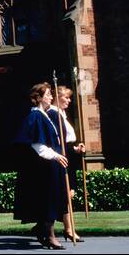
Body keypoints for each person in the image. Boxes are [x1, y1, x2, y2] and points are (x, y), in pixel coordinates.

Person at [13, 83, 69, 250]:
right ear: (38, 98)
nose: (51, 97)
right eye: (48, 95)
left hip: (53, 165)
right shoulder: (35, 117)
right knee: (48, 200)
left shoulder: (45, 115)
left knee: (53, 199)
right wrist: (56, 155)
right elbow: (37, 144)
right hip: (45, 167)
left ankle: (45, 232)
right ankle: (50, 236)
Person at [52, 85, 85, 243]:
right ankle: (67, 229)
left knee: (68, 195)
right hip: (61, 158)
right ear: (57, 97)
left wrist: (76, 148)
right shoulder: (54, 114)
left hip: (69, 155)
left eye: (70, 97)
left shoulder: (62, 114)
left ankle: (68, 229)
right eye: (66, 97)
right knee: (65, 195)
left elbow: (67, 139)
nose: (69, 100)